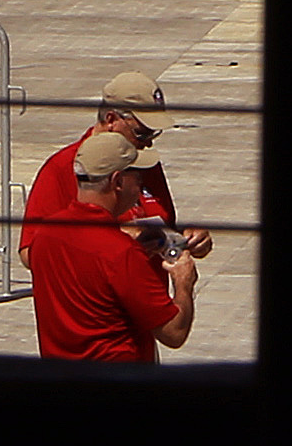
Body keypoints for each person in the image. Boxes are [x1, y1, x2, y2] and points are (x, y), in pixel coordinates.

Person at [26, 127, 194, 360]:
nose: (141, 187)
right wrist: (184, 282)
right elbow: (174, 332)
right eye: (138, 178)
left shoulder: (46, 234)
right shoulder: (120, 253)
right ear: (117, 182)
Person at [27, 69, 206, 258]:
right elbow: (31, 252)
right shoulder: (62, 167)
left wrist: (187, 239)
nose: (148, 142)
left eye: (154, 133)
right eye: (142, 133)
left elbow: (164, 223)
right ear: (111, 120)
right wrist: (116, 242)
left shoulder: (145, 161)